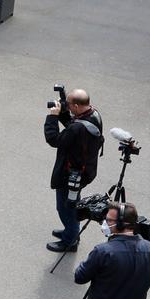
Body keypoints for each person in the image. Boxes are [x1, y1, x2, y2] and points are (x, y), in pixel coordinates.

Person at [46, 88, 104, 252]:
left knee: (65, 207)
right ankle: (70, 232)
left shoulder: (77, 128)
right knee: (72, 204)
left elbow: (54, 139)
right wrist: (63, 114)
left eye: (70, 105)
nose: (68, 108)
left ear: (78, 106)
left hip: (71, 174)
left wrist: (52, 117)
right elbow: (73, 126)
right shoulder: (93, 115)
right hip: (86, 170)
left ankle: (69, 241)